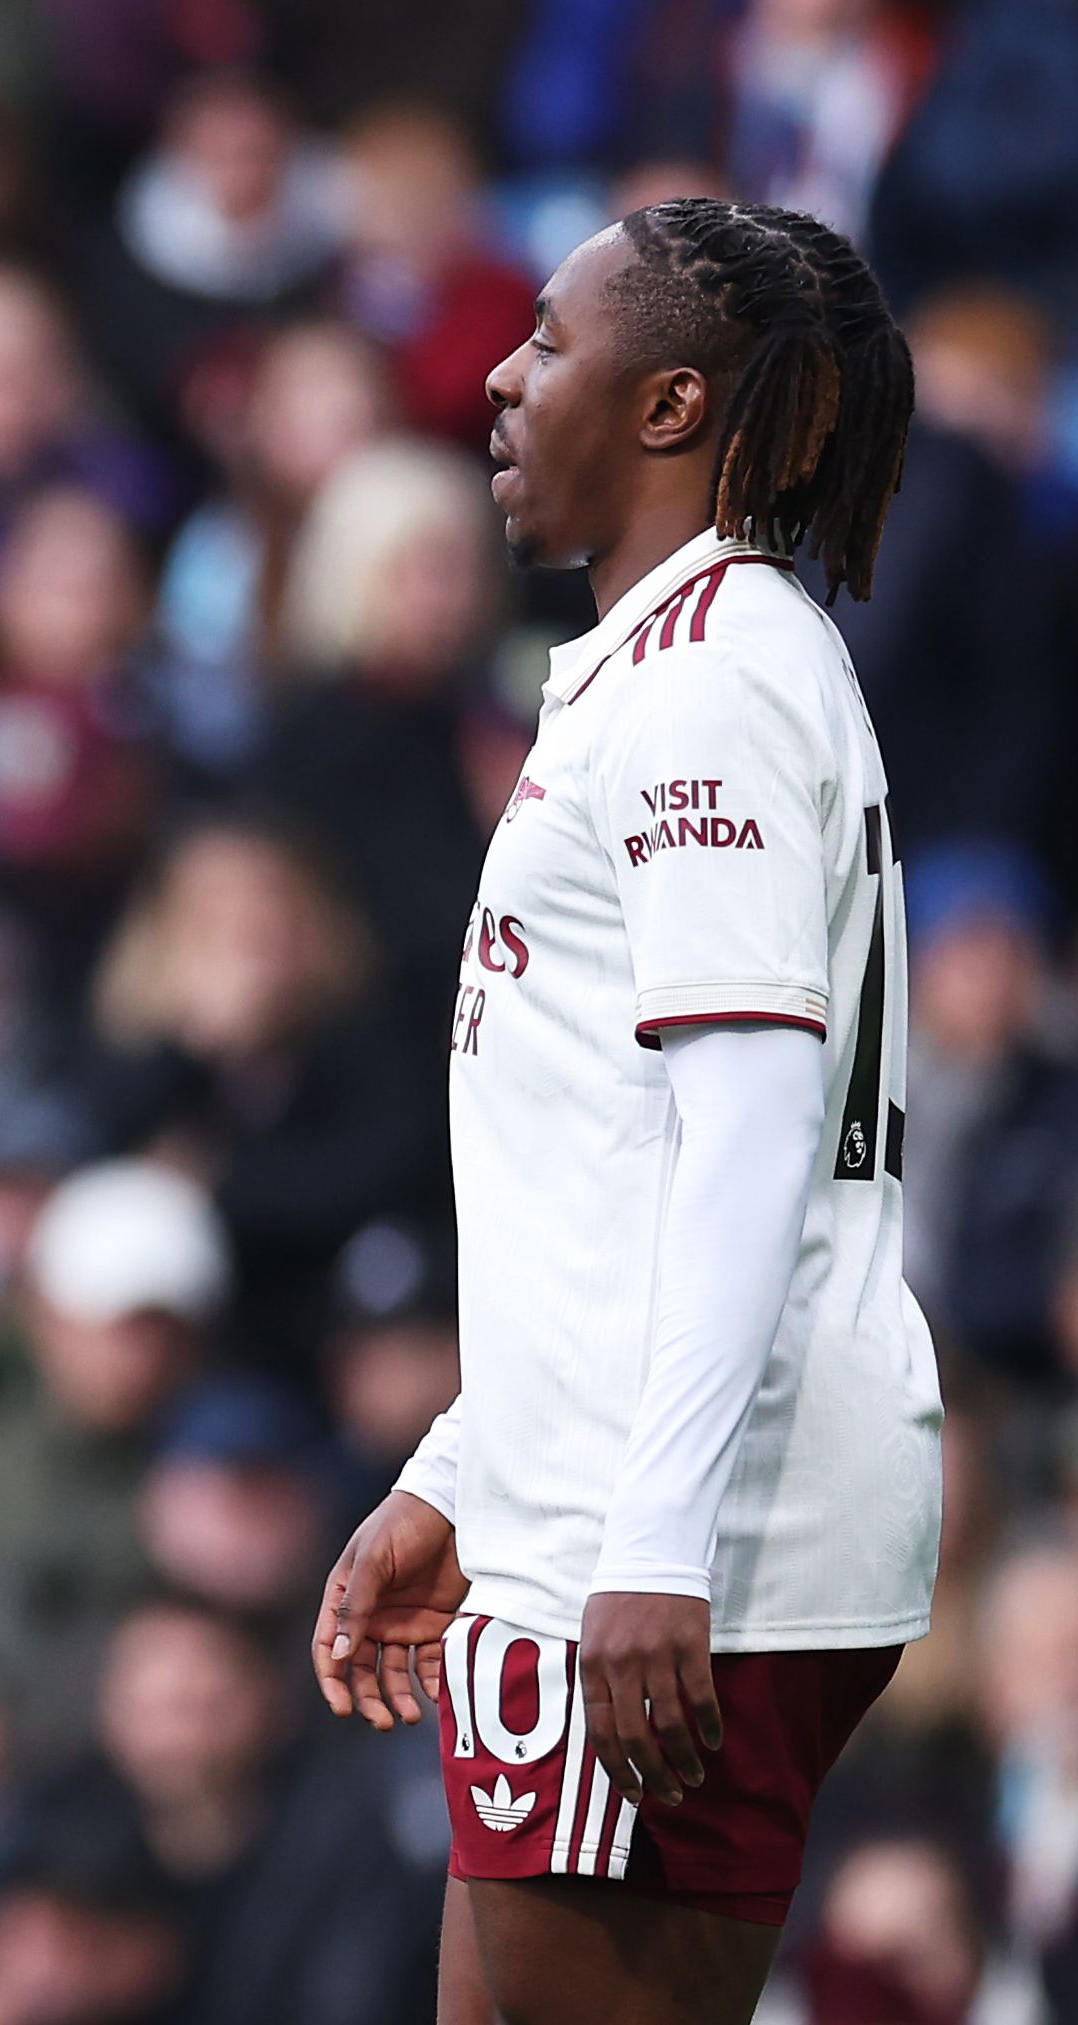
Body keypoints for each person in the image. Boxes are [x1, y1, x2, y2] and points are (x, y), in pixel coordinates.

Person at [314, 198, 938, 2025]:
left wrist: (649, 1539)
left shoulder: (701, 695)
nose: (501, 379)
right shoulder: (694, 667)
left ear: (671, 406)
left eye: (550, 344)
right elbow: (618, 1161)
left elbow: (751, 1137)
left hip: (668, 1547)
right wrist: (462, 1468)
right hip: (597, 1506)